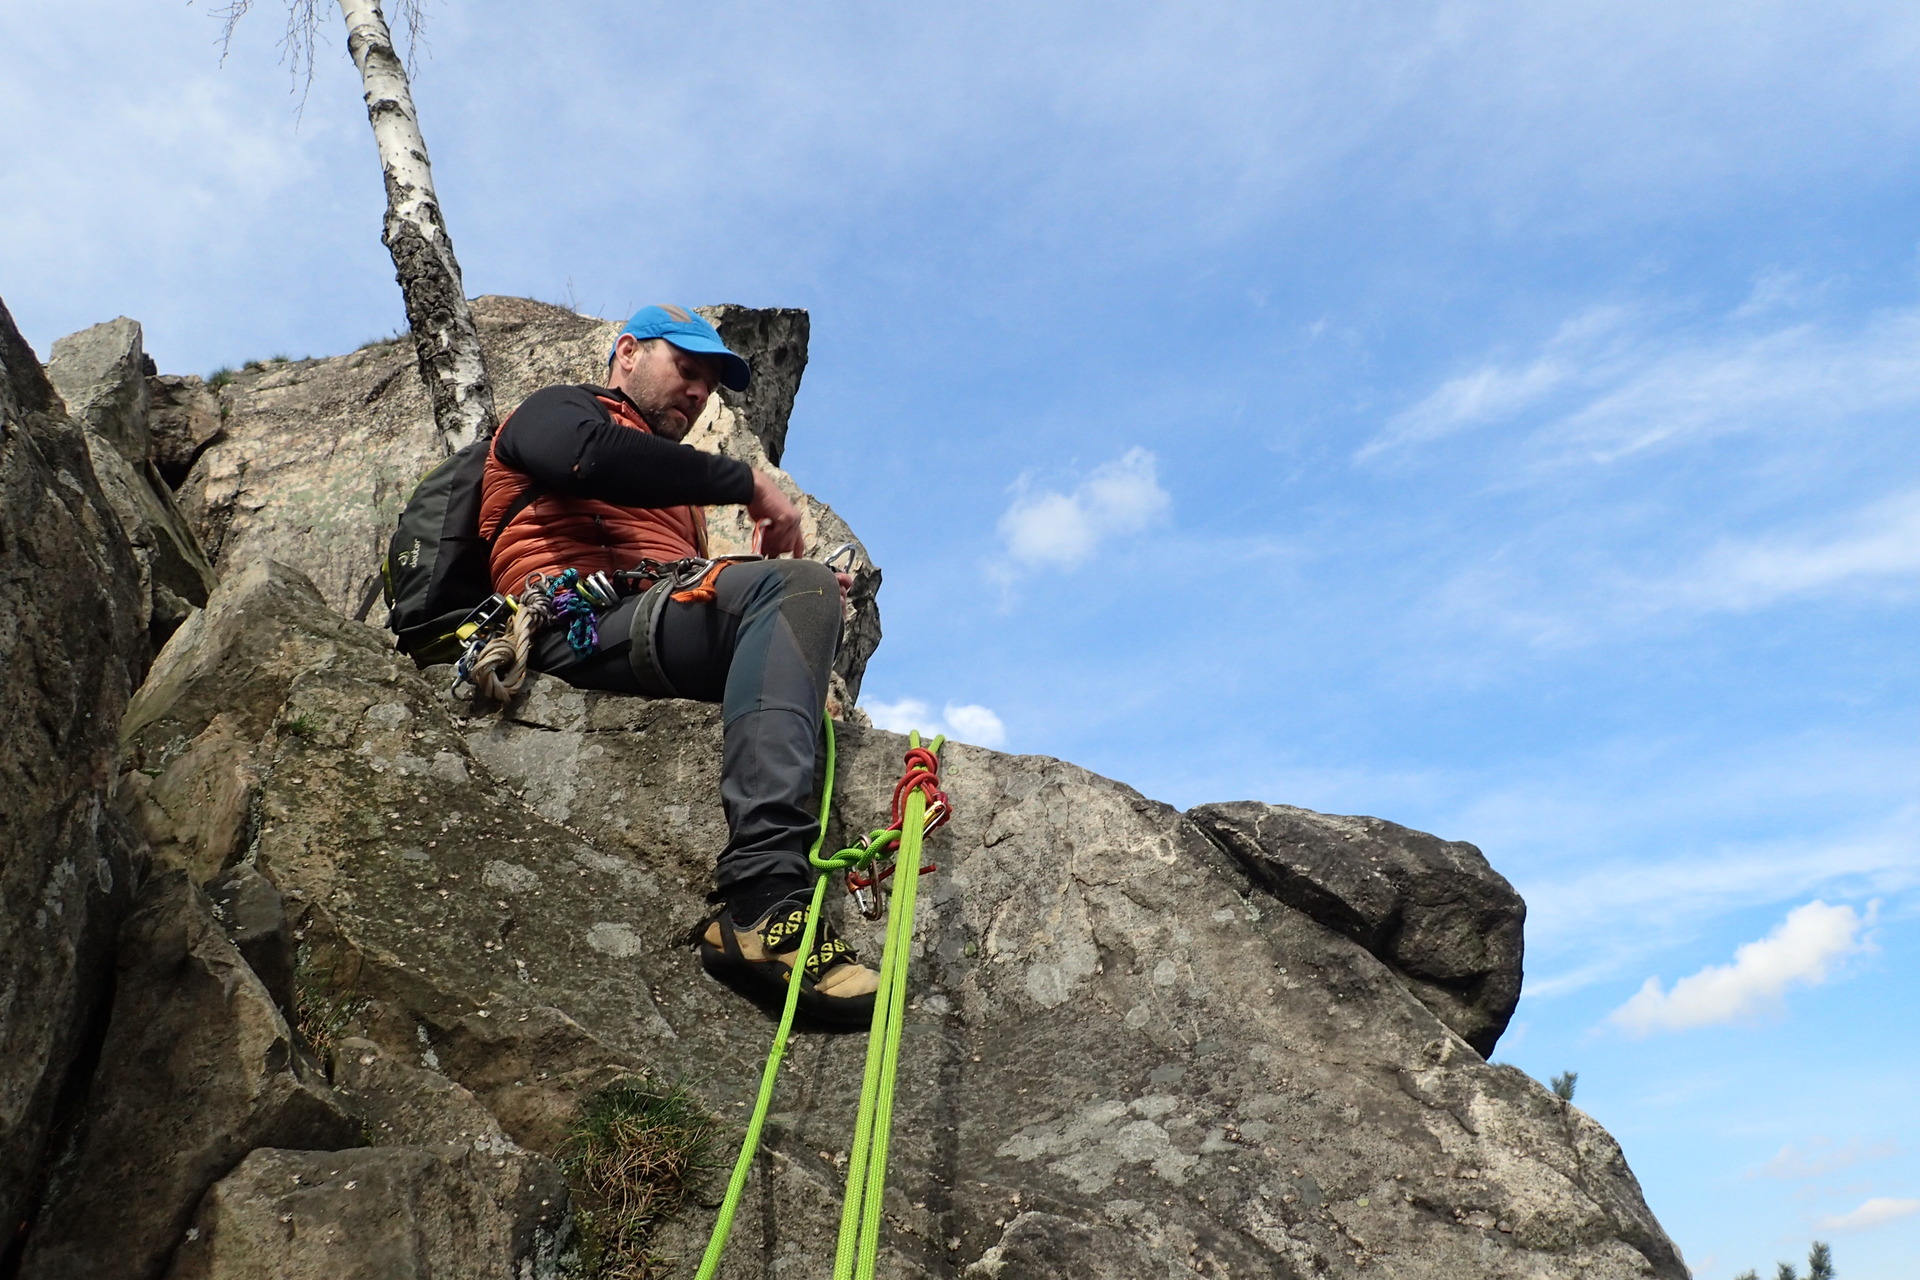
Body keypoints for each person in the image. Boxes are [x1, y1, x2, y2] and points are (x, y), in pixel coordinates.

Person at [479, 304, 876, 1024]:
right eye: (685, 371)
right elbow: (590, 458)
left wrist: (785, 596)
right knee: (796, 589)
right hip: (574, 626)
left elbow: (676, 585)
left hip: (636, 621)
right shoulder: (554, 413)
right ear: (626, 354)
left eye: (708, 386)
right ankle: (763, 906)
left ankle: (774, 902)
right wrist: (747, 484)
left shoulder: (679, 510)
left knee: (800, 594)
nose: (696, 394)